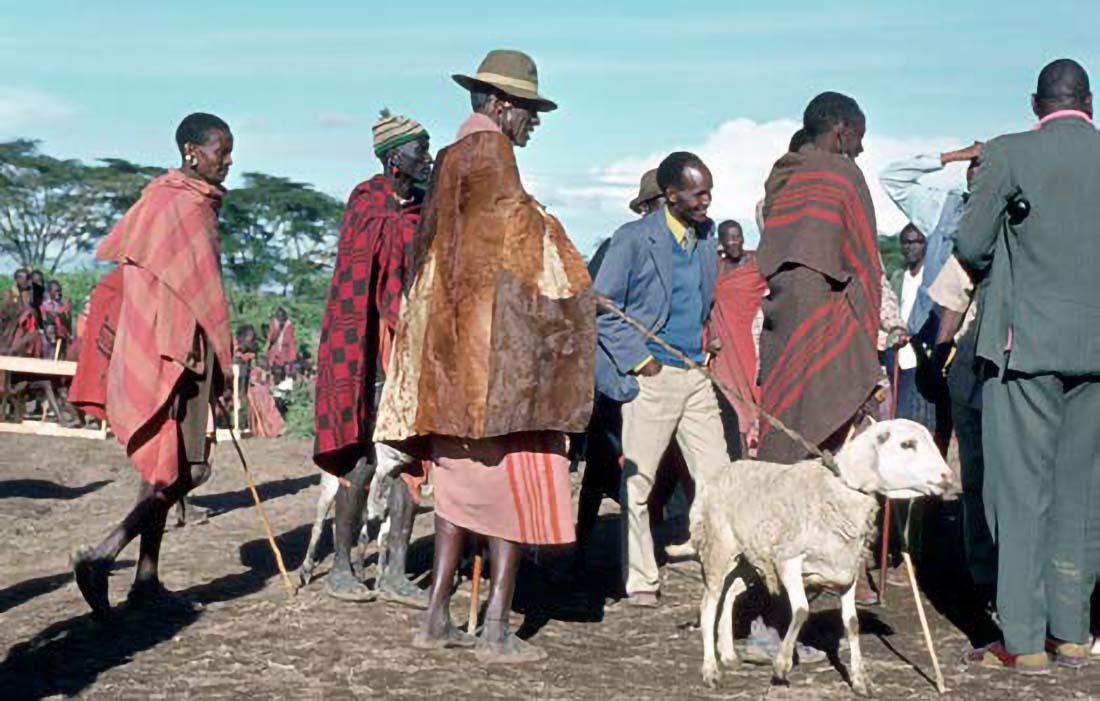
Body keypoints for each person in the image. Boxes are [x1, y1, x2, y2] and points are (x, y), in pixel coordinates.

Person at [374, 49, 594, 663]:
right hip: (496, 362)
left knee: (456, 492)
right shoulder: (493, 155)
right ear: (501, 105)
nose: (534, 123)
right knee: (514, 482)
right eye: (529, 111)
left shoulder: (446, 160)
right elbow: (522, 241)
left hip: (446, 360)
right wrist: (575, 276)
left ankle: (437, 616)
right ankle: (496, 627)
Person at [955, 58, 1100, 673]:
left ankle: (1021, 640)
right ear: (1089, 102)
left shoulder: (1010, 153)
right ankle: (1072, 633)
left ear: (1035, 103)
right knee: (1081, 492)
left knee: (1019, 493)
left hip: (1026, 347)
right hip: (1094, 350)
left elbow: (970, 243)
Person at [68, 112, 234, 619]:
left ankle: (146, 579)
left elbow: (198, 287)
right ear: (191, 151)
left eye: (229, 153)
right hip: (168, 350)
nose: (226, 162)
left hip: (188, 352)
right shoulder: (169, 202)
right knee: (180, 472)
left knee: (169, 472)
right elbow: (147, 285)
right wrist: (175, 347)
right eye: (219, 152)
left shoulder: (199, 203)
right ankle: (102, 555)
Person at [594, 150, 728, 607]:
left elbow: (703, 300)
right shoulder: (633, 239)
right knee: (638, 483)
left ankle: (723, 568)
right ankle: (641, 580)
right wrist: (640, 362)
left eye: (709, 190)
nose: (707, 200)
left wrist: (707, 342)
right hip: (653, 376)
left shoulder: (706, 237)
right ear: (670, 196)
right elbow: (603, 308)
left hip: (696, 374)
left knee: (719, 478)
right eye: (698, 193)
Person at [313, 109, 434, 606]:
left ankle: (396, 571)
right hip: (365, 349)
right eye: (419, 149)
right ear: (393, 158)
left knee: (411, 459)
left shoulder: (426, 207)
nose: (427, 157)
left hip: (411, 346)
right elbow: (355, 281)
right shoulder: (366, 202)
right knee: (361, 460)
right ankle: (343, 566)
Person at [756, 91, 881, 463]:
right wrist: (867, 332)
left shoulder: (784, 172)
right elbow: (864, 261)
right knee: (832, 410)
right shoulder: (843, 174)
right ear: (841, 130)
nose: (860, 148)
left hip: (783, 310)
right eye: (858, 135)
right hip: (827, 310)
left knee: (785, 406)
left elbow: (777, 245)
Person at [708, 219, 767, 456]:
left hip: (752, 339)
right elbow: (708, 302)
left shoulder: (756, 264)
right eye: (729, 238)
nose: (735, 242)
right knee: (732, 399)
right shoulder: (716, 268)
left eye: (738, 236)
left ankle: (763, 450)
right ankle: (740, 454)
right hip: (725, 345)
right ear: (721, 242)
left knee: (758, 391)